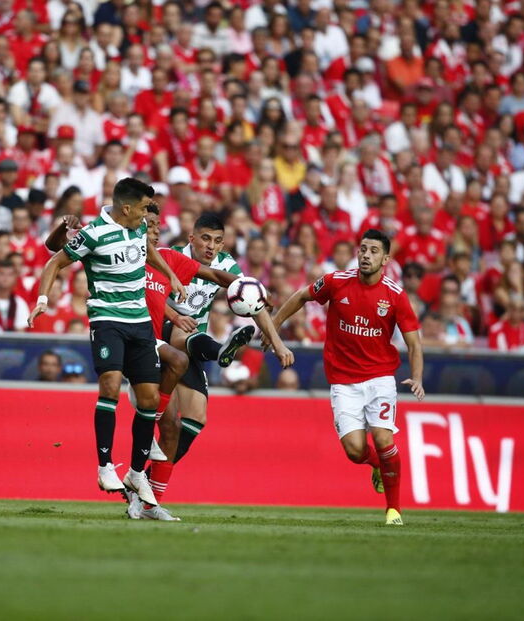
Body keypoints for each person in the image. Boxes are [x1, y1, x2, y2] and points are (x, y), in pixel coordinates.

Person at [28, 177, 188, 509]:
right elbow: (53, 261)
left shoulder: (138, 224)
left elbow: (147, 248)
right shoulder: (93, 234)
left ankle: (134, 472)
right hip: (107, 320)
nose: (149, 214)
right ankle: (104, 467)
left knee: (147, 398)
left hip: (140, 322)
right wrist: (43, 298)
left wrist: (170, 274)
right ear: (126, 207)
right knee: (111, 386)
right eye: (144, 207)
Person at [271, 229, 425, 526]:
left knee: (383, 437)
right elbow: (302, 295)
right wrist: (275, 324)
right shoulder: (336, 282)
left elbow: (414, 343)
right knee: (355, 451)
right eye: (363, 249)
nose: (366, 255)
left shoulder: (395, 295)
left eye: (373, 251)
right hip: (343, 381)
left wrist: (416, 376)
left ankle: (394, 510)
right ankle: (378, 465)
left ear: (386, 259)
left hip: (380, 377)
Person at [150, 212, 292, 519]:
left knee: (195, 419)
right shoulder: (170, 257)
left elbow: (253, 302)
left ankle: (148, 488)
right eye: (205, 239)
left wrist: (278, 343)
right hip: (158, 333)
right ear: (192, 238)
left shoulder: (226, 265)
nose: (211, 246)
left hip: (190, 344)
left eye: (217, 241)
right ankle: (221, 350)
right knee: (182, 326)